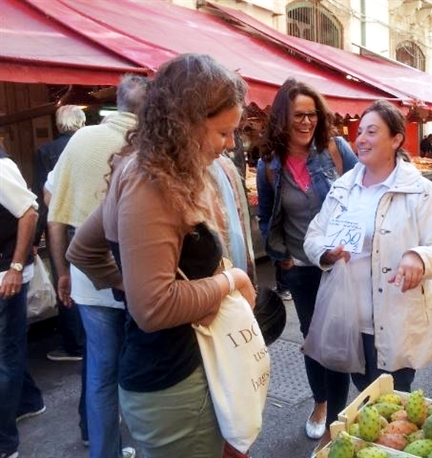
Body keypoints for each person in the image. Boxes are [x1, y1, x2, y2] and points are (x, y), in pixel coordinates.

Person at [67, 54, 256, 458]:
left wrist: (129, 283)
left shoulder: (155, 170)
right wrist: (230, 282)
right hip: (174, 383)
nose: (230, 145)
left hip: (183, 370)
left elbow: (83, 248)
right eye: (223, 132)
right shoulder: (149, 183)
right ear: (186, 122)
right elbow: (152, 308)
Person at [303, 99, 432, 420]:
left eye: (373, 132)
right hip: (349, 318)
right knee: (363, 397)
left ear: (396, 139)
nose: (361, 139)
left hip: (396, 321)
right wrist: (326, 253)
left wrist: (418, 257)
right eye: (360, 132)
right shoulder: (343, 188)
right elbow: (314, 235)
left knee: (393, 409)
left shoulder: (420, 191)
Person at [47, 75, 148, 458]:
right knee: (144, 370)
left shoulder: (80, 140)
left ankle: (104, 451)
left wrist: (62, 273)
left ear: (116, 104)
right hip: (142, 280)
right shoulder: (149, 144)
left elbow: (54, 211)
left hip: (89, 281)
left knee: (101, 376)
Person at [255, 78, 358, 451]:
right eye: (298, 115)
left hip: (340, 264)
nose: (307, 122)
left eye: (312, 114)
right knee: (315, 342)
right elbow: (266, 217)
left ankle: (336, 421)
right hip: (300, 267)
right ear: (283, 117)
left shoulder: (336, 150)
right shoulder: (269, 166)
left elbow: (362, 192)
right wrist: (282, 259)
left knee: (339, 340)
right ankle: (321, 403)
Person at [0, 146, 45, 458]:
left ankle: (5, 444)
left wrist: (15, 267)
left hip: (5, 275)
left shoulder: (0, 166)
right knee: (9, 349)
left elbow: (29, 211)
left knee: (5, 355)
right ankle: (29, 401)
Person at [33, 105, 87, 362]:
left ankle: (74, 344)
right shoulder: (90, 146)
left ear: (57, 124)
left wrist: (35, 239)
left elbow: (42, 198)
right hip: (90, 226)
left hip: (61, 228)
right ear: (82, 122)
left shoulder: (46, 151)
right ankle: (90, 339)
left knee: (64, 280)